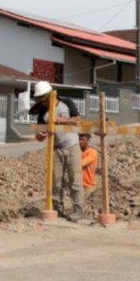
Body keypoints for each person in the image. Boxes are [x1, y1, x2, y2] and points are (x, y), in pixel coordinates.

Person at [31, 80, 84, 220]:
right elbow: (38, 135)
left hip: (72, 146)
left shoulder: (66, 103)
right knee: (56, 181)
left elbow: (78, 120)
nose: (43, 102)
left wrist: (59, 120)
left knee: (75, 179)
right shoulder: (42, 112)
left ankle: (78, 210)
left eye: (43, 99)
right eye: (40, 100)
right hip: (55, 148)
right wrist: (40, 135)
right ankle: (58, 209)